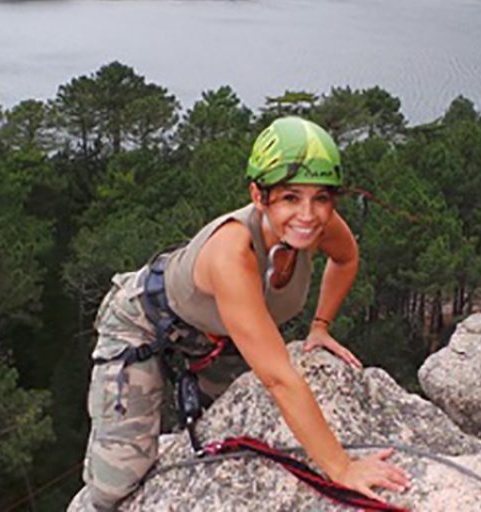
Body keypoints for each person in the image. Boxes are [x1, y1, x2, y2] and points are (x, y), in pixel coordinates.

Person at [72, 116, 411, 510]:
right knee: (117, 483)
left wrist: (321, 326)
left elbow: (346, 258)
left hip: (217, 338)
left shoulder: (318, 224)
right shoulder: (232, 253)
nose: (308, 214)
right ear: (258, 195)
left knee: (229, 429)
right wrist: (341, 468)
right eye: (290, 197)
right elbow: (279, 379)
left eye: (322, 197)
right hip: (144, 325)